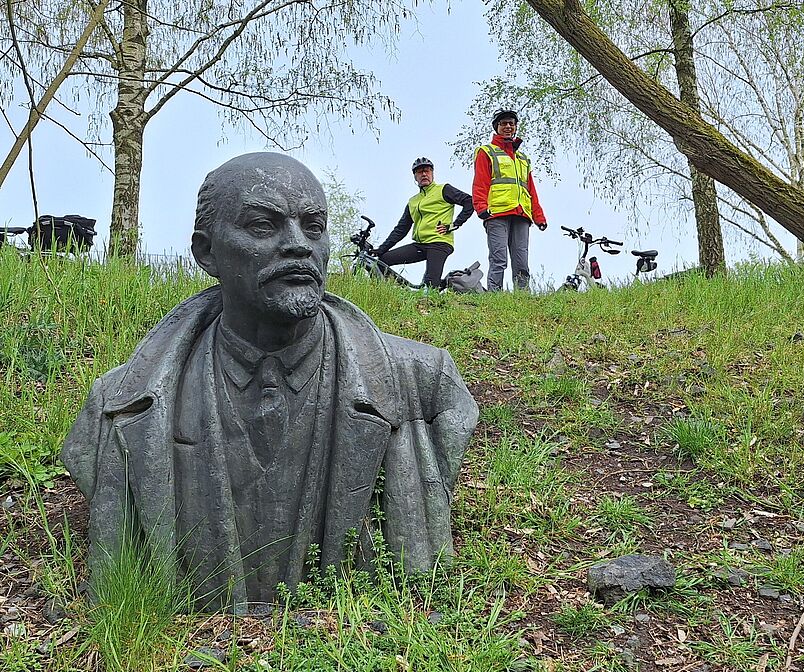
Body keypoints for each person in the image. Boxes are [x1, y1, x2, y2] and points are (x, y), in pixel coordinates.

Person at [62, 153, 478, 612]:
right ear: (206, 252)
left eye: (314, 227)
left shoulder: (423, 381)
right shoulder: (119, 402)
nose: (299, 246)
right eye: (263, 226)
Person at [473, 109, 547, 291]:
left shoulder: (523, 158)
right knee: (499, 259)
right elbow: (480, 182)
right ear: (496, 127)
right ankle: (494, 297)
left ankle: (522, 298)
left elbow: (530, 189)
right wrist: (481, 207)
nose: (508, 127)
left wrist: (539, 216)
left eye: (511, 124)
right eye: (504, 123)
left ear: (515, 128)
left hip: (521, 213)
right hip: (496, 213)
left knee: (521, 260)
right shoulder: (487, 152)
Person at [373, 157, 474, 287]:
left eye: (427, 171)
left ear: (432, 173)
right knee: (383, 261)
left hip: (439, 243)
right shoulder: (413, 201)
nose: (424, 174)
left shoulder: (443, 189)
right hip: (420, 245)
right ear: (415, 177)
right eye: (420, 172)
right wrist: (381, 249)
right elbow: (401, 229)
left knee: (431, 285)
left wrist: (454, 225)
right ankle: (393, 292)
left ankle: (449, 284)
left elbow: (469, 202)